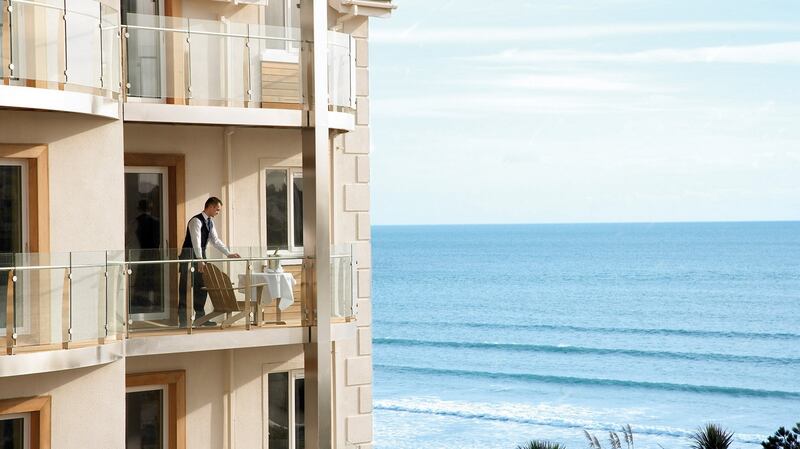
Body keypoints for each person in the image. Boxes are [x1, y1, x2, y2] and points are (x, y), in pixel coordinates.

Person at [178, 197, 240, 327]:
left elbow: (215, 240)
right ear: (210, 207)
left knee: (202, 286)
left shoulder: (210, 222)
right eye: (217, 210)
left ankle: (201, 318)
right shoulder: (196, 221)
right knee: (185, 287)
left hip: (201, 255)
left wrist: (228, 253)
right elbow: (196, 241)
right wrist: (200, 259)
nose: (218, 212)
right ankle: (183, 321)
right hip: (189, 255)